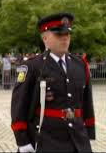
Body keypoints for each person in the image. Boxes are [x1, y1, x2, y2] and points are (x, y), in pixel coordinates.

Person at [11, 12, 95, 152]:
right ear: (45, 38)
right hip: (47, 139)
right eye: (59, 35)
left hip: (78, 138)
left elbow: (87, 102)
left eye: (67, 34)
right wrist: (22, 140)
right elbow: (19, 104)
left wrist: (89, 130)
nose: (65, 38)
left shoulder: (80, 64)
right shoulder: (33, 66)